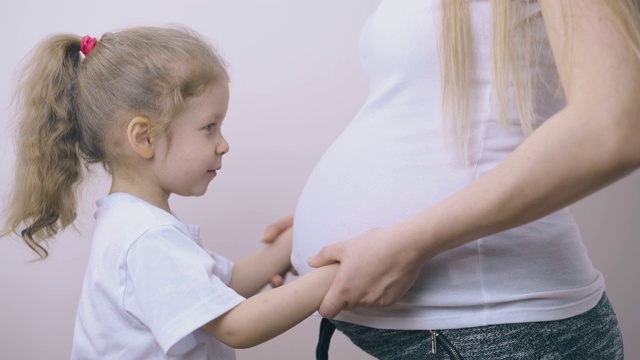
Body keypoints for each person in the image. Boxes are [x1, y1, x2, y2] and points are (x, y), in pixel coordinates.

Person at [264, 0, 640, 358]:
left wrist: (407, 243)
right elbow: (422, 111)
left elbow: (612, 127)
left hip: (504, 325)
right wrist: (332, 219)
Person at [1, 26, 338, 359]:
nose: (224, 144)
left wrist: (291, 241)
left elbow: (227, 284)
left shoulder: (133, 222)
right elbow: (237, 326)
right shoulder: (148, 237)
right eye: (209, 127)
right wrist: (337, 276)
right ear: (144, 138)